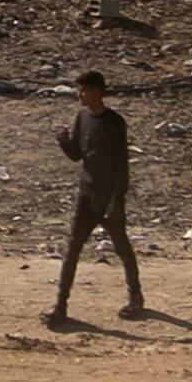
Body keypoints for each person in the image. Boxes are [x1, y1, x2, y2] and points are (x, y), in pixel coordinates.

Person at [50, 70, 145, 327]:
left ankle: (135, 297)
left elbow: (122, 164)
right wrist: (63, 141)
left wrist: (117, 200)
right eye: (78, 90)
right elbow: (76, 155)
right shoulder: (81, 118)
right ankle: (60, 306)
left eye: (83, 90)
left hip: (108, 194)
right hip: (87, 192)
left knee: (121, 247)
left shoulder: (114, 122)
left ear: (98, 91)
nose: (79, 95)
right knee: (72, 249)